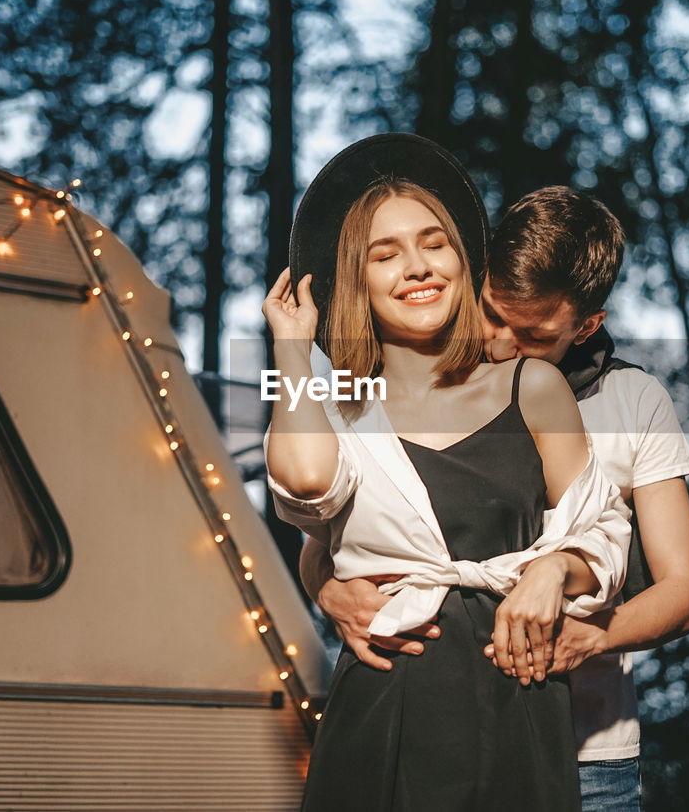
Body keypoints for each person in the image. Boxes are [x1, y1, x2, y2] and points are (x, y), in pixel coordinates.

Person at [301, 185, 689, 811]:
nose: (502, 342)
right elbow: (330, 540)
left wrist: (592, 634)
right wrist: (330, 593)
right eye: (493, 312)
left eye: (535, 334)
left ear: (587, 324)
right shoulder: (405, 388)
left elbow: (685, 592)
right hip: (445, 733)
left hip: (588, 749)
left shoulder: (633, 401)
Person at [263, 136, 631, 811]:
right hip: (384, 707)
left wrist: (551, 570)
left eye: (433, 242)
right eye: (386, 253)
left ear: (464, 261)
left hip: (516, 701)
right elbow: (308, 487)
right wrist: (292, 351)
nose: (416, 266)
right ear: (359, 281)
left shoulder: (533, 386)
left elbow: (603, 530)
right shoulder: (336, 409)